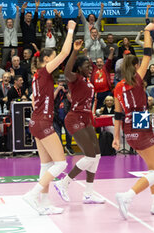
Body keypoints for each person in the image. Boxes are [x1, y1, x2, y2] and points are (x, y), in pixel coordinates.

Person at [112, 23, 154, 219]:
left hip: (129, 126)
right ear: (136, 66)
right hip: (141, 119)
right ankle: (127, 196)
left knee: (152, 167)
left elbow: (118, 114)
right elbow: (148, 53)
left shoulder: (117, 87)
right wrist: (147, 31)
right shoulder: (137, 79)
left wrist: (116, 138)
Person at [23, 20, 76, 215]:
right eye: (53, 58)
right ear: (47, 60)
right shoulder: (45, 71)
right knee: (61, 163)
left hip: (35, 122)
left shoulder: (37, 75)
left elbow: (32, 100)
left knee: (46, 165)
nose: (57, 61)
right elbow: (63, 53)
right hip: (43, 122)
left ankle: (43, 204)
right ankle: (33, 194)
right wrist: (70, 30)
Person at [54, 39, 104, 204]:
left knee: (97, 155)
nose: (90, 68)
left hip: (86, 117)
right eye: (87, 66)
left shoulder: (88, 82)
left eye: (91, 66)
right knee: (89, 156)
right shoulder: (74, 78)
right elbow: (67, 70)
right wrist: (75, 52)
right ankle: (64, 183)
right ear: (79, 68)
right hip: (74, 118)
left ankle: (88, 194)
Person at [53, 76, 74, 155]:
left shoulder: (69, 90)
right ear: (58, 83)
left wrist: (66, 92)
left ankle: (68, 147)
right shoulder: (54, 90)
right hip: (56, 116)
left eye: (64, 82)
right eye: (61, 82)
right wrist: (58, 89)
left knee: (69, 133)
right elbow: (52, 99)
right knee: (58, 134)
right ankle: (60, 149)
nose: (62, 84)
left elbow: (72, 100)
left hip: (67, 116)